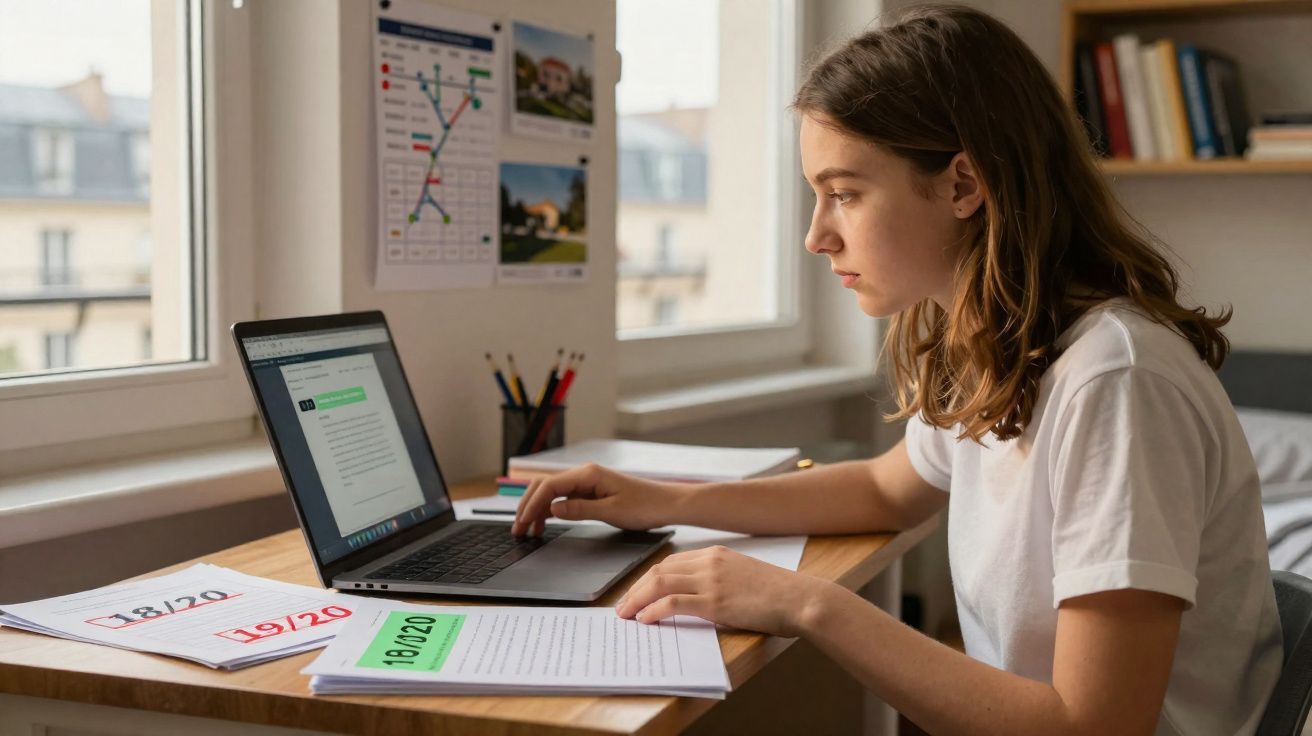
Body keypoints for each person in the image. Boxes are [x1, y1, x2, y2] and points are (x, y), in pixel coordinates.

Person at [512, 4, 1282, 734]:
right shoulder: (1002, 344)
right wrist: (662, 502)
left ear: (963, 186)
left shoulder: (1115, 382)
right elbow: (888, 486)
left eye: (842, 194)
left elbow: (1096, 726)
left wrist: (809, 605)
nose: (817, 237)